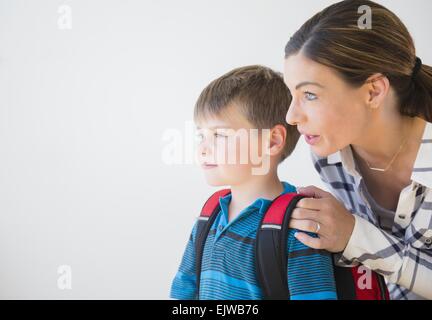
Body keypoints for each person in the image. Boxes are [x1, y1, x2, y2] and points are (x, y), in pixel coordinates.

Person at [283, 0, 432, 299]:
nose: (291, 117)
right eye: (292, 93)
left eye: (309, 95)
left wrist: (354, 235)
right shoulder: (330, 156)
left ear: (373, 91)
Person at [170, 65, 337, 300]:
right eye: (201, 136)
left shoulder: (299, 226)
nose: (203, 149)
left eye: (219, 135)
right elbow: (182, 294)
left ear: (272, 141)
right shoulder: (209, 218)